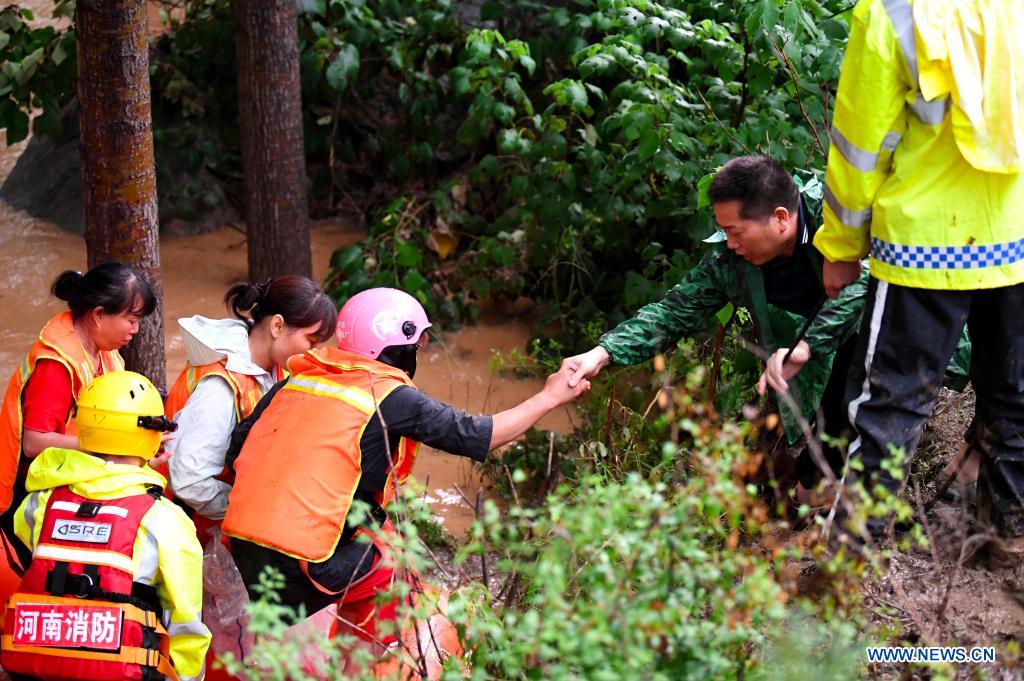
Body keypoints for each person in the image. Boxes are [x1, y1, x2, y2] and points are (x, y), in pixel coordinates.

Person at [563, 155, 970, 493]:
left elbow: (863, 281)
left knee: (865, 426)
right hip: (809, 361)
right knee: (812, 474)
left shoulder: (836, 215)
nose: (730, 243)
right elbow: (674, 310)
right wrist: (603, 353)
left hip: (893, 337)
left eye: (734, 231)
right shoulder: (732, 262)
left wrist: (806, 347)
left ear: (780, 217)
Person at [221, 288, 589, 640]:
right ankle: (355, 670)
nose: (419, 351)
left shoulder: (300, 379)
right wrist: (550, 396)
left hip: (243, 550)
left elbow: (237, 449)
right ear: (395, 347)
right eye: (417, 344)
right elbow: (479, 435)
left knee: (380, 532)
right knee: (393, 564)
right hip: (299, 568)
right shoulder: (391, 396)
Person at [815, 0, 1024, 546]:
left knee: (888, 405)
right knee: (1018, 395)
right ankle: (1012, 538)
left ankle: (850, 559)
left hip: (924, 249)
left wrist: (840, 245)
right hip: (1018, 239)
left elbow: (860, 147)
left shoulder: (891, 11)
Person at [0, 371, 210, 681]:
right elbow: (185, 621)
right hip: (124, 670)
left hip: (38, 667)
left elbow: (33, 543)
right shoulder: (166, 520)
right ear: (151, 437)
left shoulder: (41, 502)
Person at [0, 264, 157, 588]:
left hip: (63, 476)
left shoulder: (106, 353)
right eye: (131, 319)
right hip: (22, 492)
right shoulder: (57, 364)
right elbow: (34, 442)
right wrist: (109, 446)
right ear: (99, 315)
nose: (136, 330)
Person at [164, 276, 336, 543]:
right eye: (310, 341)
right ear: (277, 326)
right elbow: (189, 480)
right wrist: (258, 513)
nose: (314, 353)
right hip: (188, 531)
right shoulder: (219, 387)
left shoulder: (274, 368)